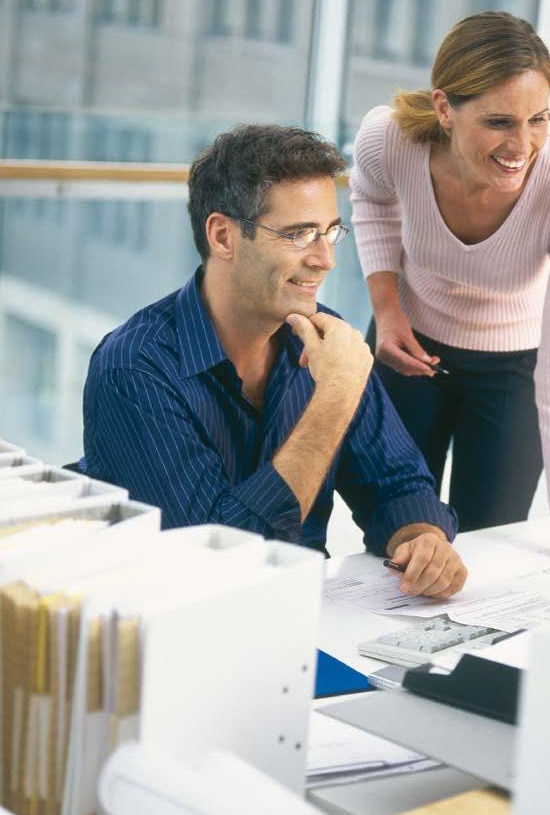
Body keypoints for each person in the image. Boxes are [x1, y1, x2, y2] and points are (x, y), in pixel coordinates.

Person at [78, 125, 467, 599]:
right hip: (181, 633)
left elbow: (398, 484)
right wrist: (334, 400)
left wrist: (422, 537)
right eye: (299, 234)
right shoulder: (133, 368)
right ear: (223, 236)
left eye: (329, 233)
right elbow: (222, 568)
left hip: (310, 622)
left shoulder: (325, 337)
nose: (325, 260)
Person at [350, 11, 550, 536]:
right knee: (392, 526)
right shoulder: (390, 139)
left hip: (514, 368)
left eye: (538, 119)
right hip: (411, 347)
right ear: (445, 108)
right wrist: (386, 307)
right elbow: (371, 198)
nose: (522, 146)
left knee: (486, 537)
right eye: (499, 122)